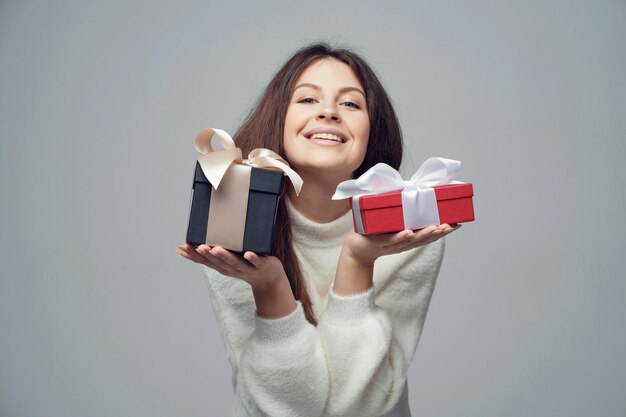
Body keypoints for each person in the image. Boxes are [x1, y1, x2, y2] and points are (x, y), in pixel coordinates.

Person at [177, 42, 459, 417]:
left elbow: (360, 405)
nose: (328, 112)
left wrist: (357, 262)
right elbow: (287, 408)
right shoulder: (234, 218)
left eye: (351, 104)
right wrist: (270, 286)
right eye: (308, 100)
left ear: (373, 130)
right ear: (279, 117)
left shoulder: (408, 228)